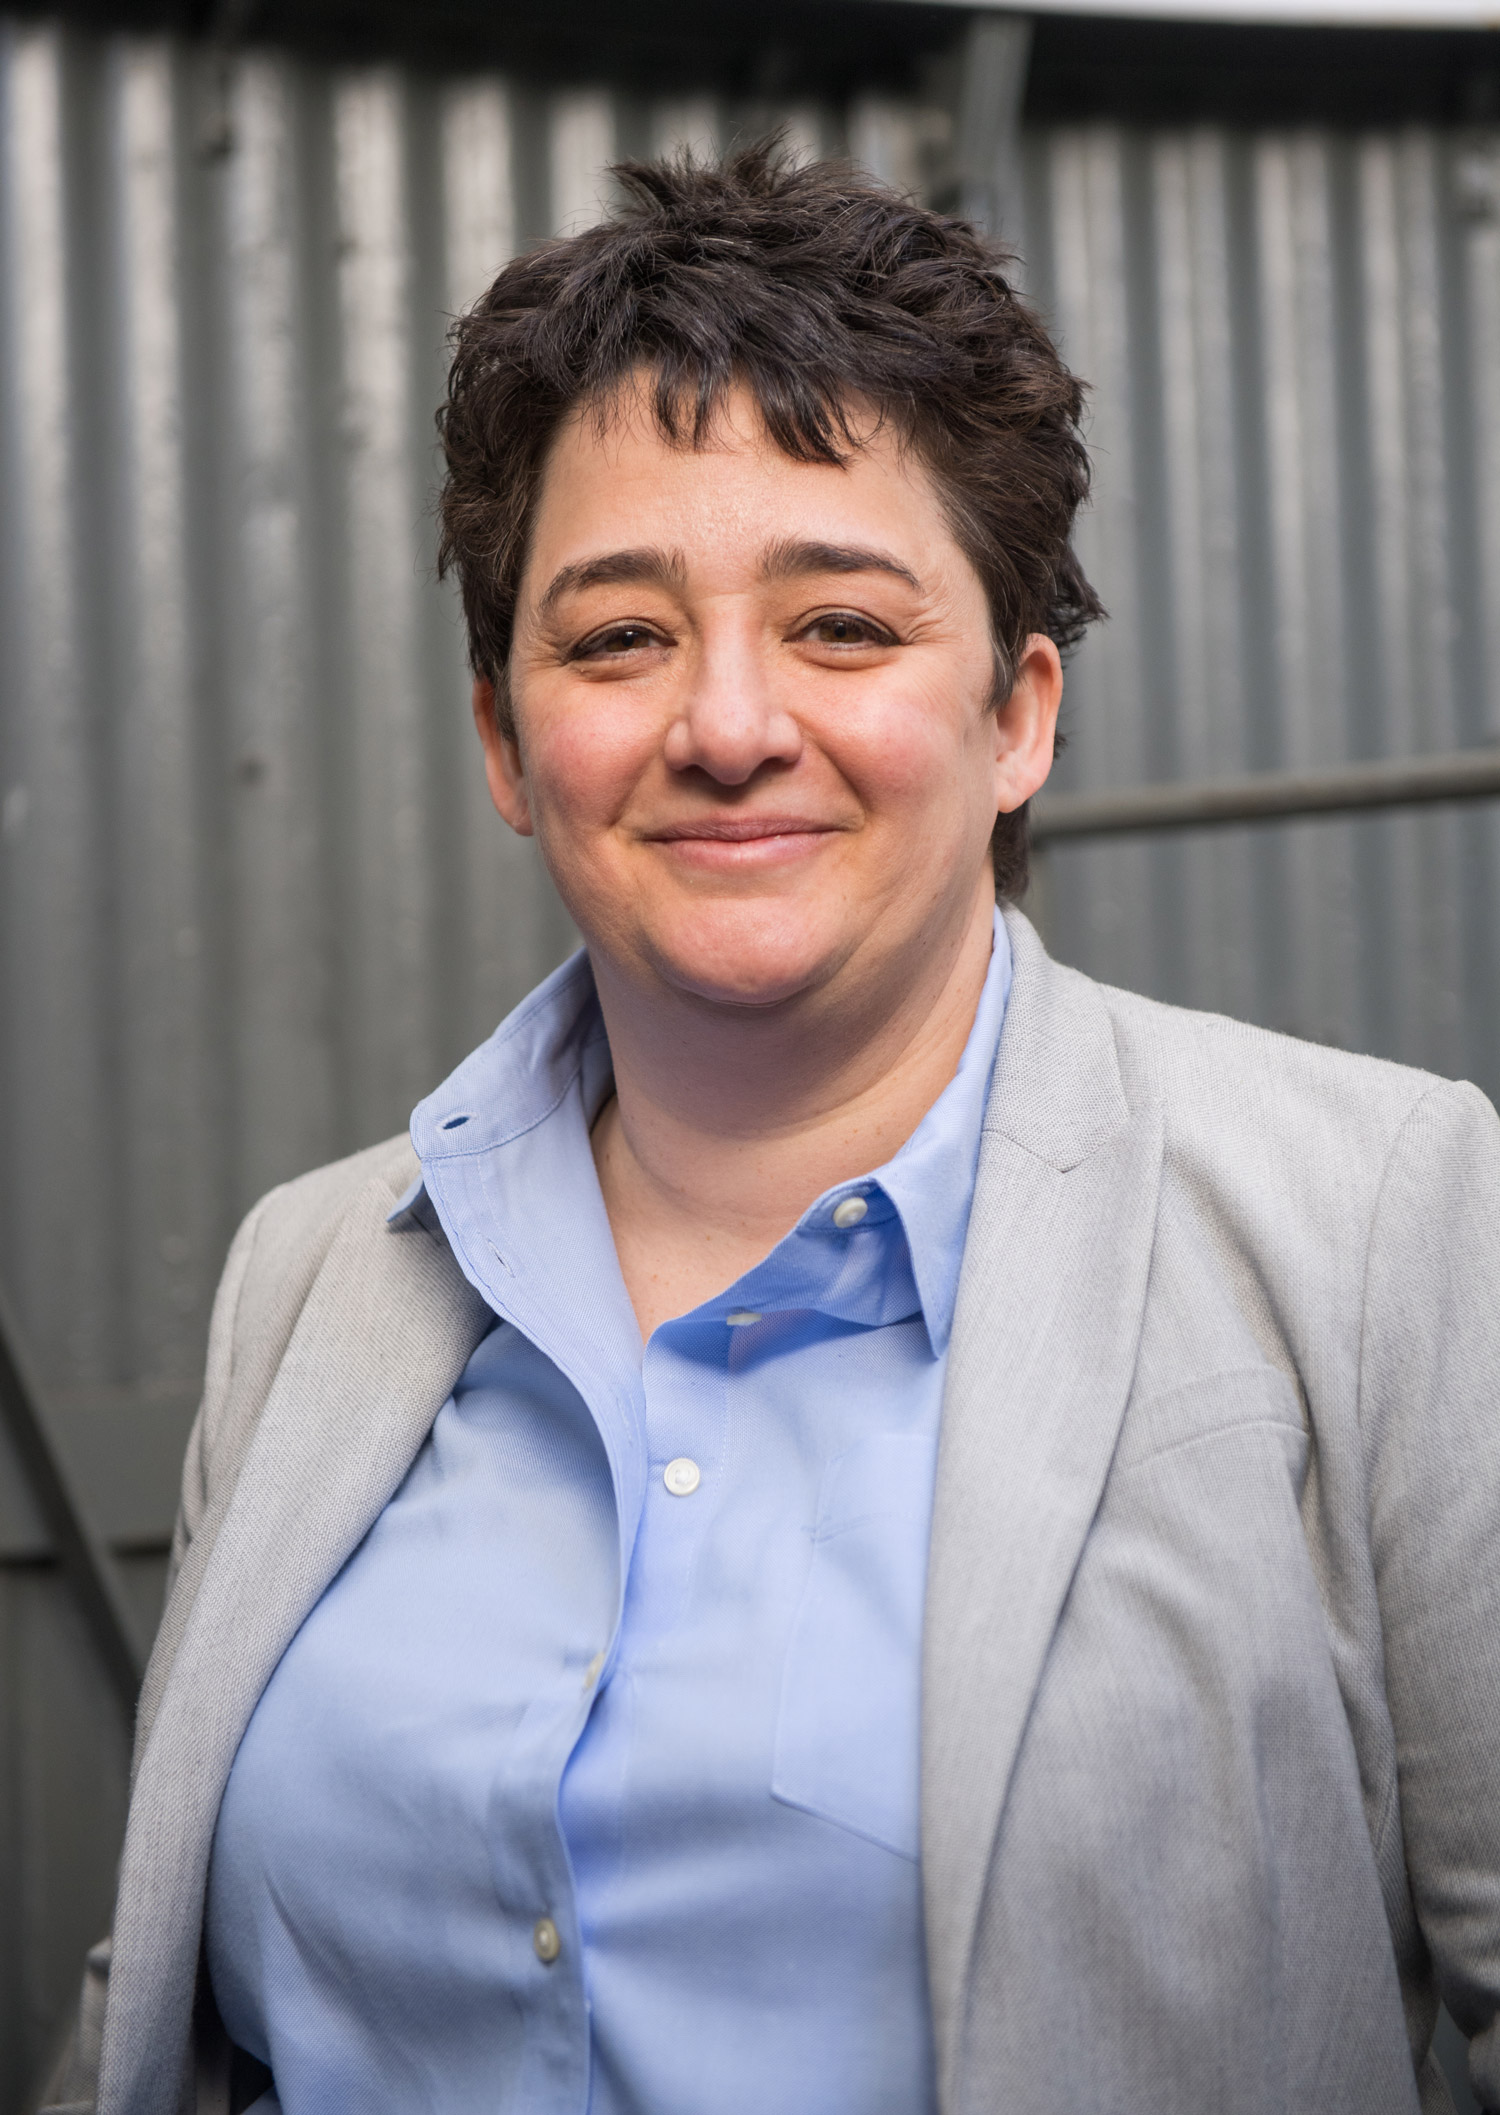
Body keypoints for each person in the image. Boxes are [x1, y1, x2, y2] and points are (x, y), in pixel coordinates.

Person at [46, 145, 1500, 2115]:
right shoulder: (308, 1280)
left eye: (841, 626)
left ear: (1018, 716)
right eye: (616, 638)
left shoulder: (1389, 1223)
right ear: (505, 738)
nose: (728, 724)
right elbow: (155, 2007)